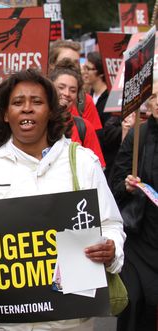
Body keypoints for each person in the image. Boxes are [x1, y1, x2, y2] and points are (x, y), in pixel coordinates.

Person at [0, 69, 125, 331]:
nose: (27, 109)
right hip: (4, 324)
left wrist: (110, 248)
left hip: (69, 321)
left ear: (51, 111)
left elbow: (111, 223)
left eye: (37, 102)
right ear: (5, 114)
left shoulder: (82, 162)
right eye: (17, 102)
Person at [111, 83, 158, 331]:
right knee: (134, 302)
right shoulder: (137, 136)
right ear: (147, 103)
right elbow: (115, 183)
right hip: (139, 236)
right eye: (154, 96)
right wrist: (127, 186)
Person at [49, 59, 107, 168]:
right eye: (61, 87)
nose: (66, 93)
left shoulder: (84, 127)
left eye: (73, 90)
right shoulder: (38, 123)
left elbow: (98, 168)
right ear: (50, 88)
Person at [48, 40, 103, 132]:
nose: (71, 66)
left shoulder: (85, 101)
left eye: (76, 63)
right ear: (52, 64)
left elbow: (94, 140)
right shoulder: (39, 99)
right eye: (65, 62)